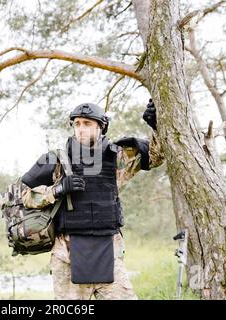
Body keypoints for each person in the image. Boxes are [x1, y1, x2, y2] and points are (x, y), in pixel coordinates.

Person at [20, 101, 164, 300]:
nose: (80, 129)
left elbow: (156, 157)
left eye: (87, 123)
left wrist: (157, 126)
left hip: (109, 254)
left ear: (101, 126)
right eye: (77, 123)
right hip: (67, 256)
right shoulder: (57, 160)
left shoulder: (118, 156)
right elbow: (25, 196)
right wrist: (58, 189)